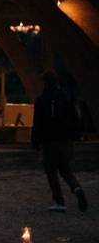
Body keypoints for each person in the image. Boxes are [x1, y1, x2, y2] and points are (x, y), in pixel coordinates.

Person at [31, 69, 88, 212]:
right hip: (66, 141)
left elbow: (37, 123)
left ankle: (59, 201)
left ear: (45, 82)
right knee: (66, 169)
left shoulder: (42, 100)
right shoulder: (66, 97)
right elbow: (76, 117)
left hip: (49, 142)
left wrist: (35, 143)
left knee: (51, 171)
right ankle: (77, 188)